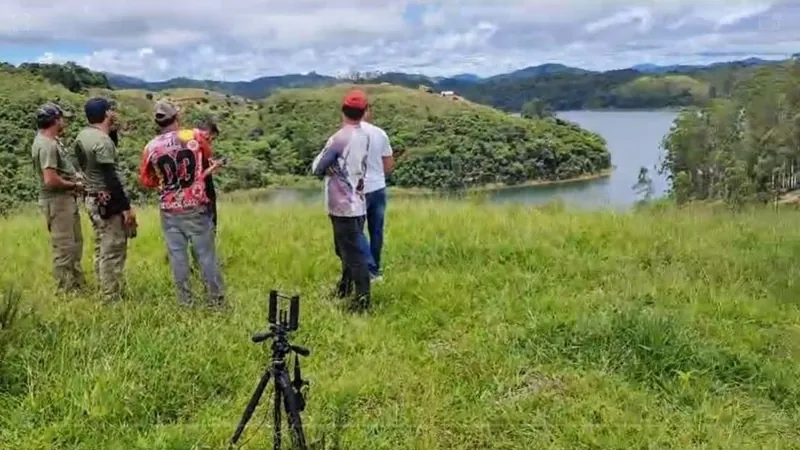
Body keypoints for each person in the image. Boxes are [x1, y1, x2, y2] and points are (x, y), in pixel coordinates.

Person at [139, 100, 226, 308]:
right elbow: (207, 156)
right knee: (205, 255)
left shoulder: (151, 147)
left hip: (169, 209)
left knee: (178, 257)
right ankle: (216, 302)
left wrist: (166, 183)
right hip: (196, 205)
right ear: (176, 117)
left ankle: (185, 302)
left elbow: (146, 180)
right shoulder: (193, 136)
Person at [311, 88, 372, 312]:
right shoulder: (365, 136)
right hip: (359, 202)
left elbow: (316, 167)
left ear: (343, 111)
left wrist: (331, 170)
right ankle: (344, 289)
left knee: (352, 254)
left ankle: (362, 302)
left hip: (342, 206)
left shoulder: (339, 138)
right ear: (364, 112)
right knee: (346, 249)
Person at [73, 97, 135, 302]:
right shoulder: (102, 141)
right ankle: (110, 298)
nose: (113, 113)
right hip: (106, 200)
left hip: (91, 197)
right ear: (106, 113)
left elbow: (95, 163)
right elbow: (111, 177)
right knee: (114, 247)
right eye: (111, 110)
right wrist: (125, 208)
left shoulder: (84, 136)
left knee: (102, 245)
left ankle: (104, 288)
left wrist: (112, 131)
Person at [31, 102, 86, 293]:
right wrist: (75, 185)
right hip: (58, 202)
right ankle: (66, 291)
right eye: (62, 118)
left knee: (74, 243)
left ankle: (77, 285)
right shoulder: (47, 145)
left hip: (63, 201)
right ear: (55, 120)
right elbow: (50, 180)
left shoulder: (47, 142)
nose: (64, 122)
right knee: (64, 248)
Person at [357, 107, 394, 280]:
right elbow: (388, 165)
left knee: (356, 230)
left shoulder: (347, 134)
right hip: (378, 188)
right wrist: (378, 175)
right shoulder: (380, 133)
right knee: (376, 231)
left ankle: (366, 268)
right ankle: (375, 270)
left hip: (358, 190)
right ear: (368, 112)